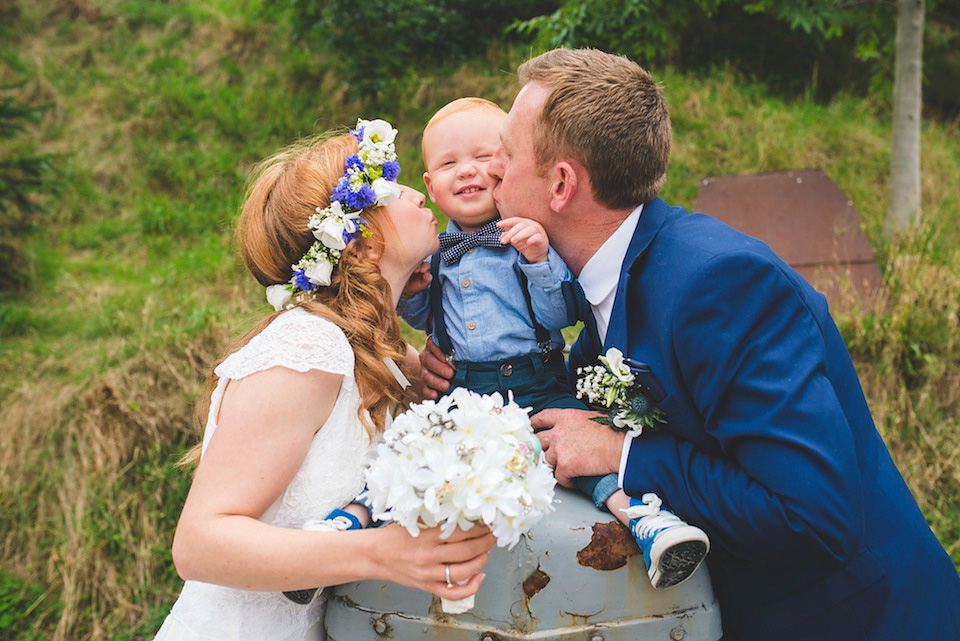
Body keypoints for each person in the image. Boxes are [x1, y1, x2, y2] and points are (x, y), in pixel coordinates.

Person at [420, 48, 960, 641]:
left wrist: (621, 454)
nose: (491, 169)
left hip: (858, 620)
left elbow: (814, 517)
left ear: (561, 184)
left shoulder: (721, 285)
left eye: (507, 152)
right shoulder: (609, 277)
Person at [153, 121, 495, 641]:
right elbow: (199, 544)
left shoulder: (382, 354)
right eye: (390, 185)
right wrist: (381, 553)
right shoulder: (307, 348)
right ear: (358, 242)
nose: (414, 190)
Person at [401, 97, 708, 590]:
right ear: (430, 187)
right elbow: (425, 320)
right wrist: (411, 291)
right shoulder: (433, 253)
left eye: (484, 156)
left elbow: (562, 316)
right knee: (418, 454)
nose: (469, 171)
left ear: (505, 166)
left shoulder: (531, 239)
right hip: (462, 390)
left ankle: (647, 522)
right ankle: (354, 521)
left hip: (538, 379)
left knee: (576, 453)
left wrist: (540, 260)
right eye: (449, 163)